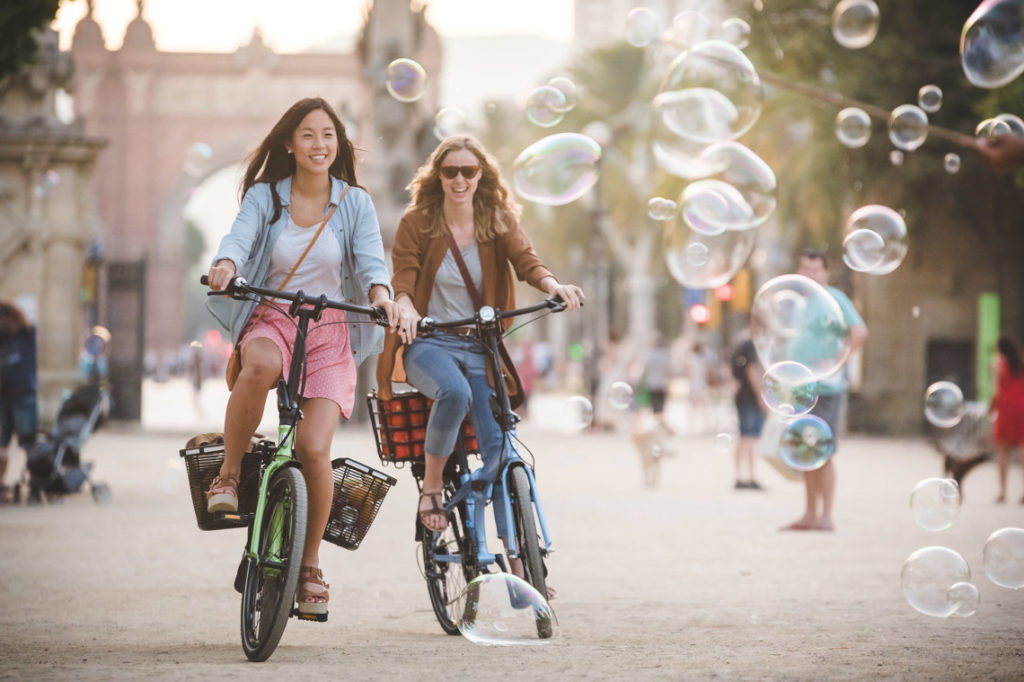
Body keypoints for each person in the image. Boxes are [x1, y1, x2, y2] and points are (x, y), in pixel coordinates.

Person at [203, 97, 400, 617]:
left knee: (314, 449)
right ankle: (226, 476)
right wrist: (226, 262)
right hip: (272, 317)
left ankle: (309, 565)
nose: (320, 145)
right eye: (309, 135)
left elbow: (371, 259)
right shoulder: (266, 198)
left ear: (339, 144)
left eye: (329, 135)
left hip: (329, 329)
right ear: (290, 143)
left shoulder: (355, 202)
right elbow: (240, 238)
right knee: (261, 366)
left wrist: (381, 295)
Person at [375, 135, 583, 593]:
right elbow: (403, 275)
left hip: (481, 348)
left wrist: (554, 286)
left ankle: (518, 562)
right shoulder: (418, 223)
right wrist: (405, 306)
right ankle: (432, 488)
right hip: (428, 343)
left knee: (501, 452)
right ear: (438, 178)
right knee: (454, 392)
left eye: (469, 171)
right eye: (451, 172)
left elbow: (528, 262)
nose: (460, 180)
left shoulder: (497, 221)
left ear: (481, 176)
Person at [780, 248, 868, 532]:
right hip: (801, 387)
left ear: (826, 272)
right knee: (805, 452)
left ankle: (826, 515)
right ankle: (809, 513)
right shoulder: (797, 303)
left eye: (815, 269)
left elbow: (859, 332)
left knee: (824, 452)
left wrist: (838, 360)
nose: (809, 274)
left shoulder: (836, 299)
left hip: (827, 388)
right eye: (805, 268)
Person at [0, 302, 39, 503]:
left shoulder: (26, 333)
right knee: (1, 445)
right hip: (3, 397)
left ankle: (35, 485)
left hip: (23, 394)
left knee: (29, 444)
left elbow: (30, 320)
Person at [990, 334, 1024, 504]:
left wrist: (990, 408)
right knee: (1022, 452)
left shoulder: (998, 363)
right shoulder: (1021, 363)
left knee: (1003, 452)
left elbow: (996, 392)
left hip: (1005, 409)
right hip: (1022, 410)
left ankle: (1003, 492)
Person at [730, 329, 765, 490]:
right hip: (749, 397)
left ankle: (750, 476)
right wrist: (760, 396)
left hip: (744, 397)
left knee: (750, 437)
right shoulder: (751, 344)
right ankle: (742, 477)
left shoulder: (742, 344)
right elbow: (752, 370)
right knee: (748, 437)